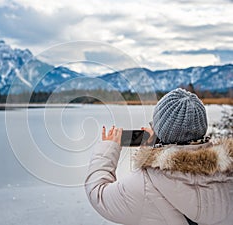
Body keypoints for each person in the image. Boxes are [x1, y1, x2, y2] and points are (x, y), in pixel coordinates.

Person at [85, 88, 233, 225]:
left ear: (160, 131)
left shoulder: (144, 184)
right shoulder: (228, 172)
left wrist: (108, 147)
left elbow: (98, 195)